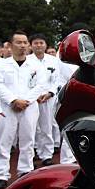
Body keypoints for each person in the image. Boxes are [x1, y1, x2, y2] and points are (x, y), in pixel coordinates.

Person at [0, 31, 47, 189]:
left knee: (28, 139)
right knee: (4, 141)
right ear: (9, 45)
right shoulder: (1, 65)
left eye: (25, 43)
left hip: (29, 107)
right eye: (19, 42)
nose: (22, 46)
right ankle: (1, 174)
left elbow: (41, 85)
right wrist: (13, 100)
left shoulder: (36, 65)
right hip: (8, 107)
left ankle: (25, 171)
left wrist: (26, 101)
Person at [29, 33, 60, 166]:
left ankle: (47, 155)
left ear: (45, 45)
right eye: (35, 43)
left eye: (41, 43)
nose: (39, 45)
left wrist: (50, 93)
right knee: (31, 128)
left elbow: (57, 79)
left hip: (48, 98)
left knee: (46, 127)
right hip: (31, 99)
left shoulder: (53, 61)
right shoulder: (26, 60)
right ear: (31, 45)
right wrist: (33, 96)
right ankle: (32, 154)